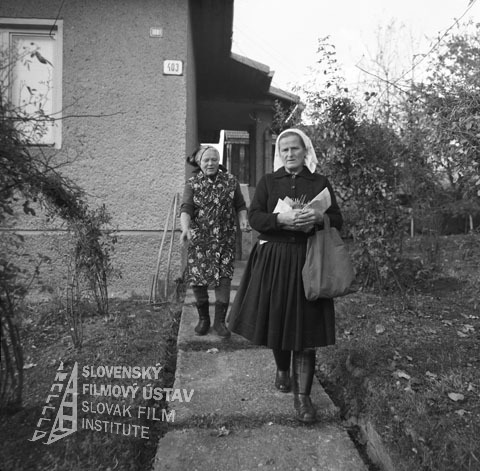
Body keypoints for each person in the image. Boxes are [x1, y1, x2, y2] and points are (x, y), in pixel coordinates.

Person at [227, 128, 343, 423]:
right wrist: (280, 219)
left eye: (295, 148)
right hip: (275, 260)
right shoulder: (269, 182)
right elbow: (255, 217)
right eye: (285, 150)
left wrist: (319, 217)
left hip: (309, 260)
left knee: (306, 328)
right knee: (278, 319)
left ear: (306, 151)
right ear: (279, 154)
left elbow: (338, 219)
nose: (290, 154)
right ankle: (282, 369)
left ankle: (303, 398)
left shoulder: (319, 182)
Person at [180, 145, 248, 338]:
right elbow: (186, 208)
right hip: (200, 240)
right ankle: (204, 320)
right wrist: (185, 228)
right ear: (199, 163)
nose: (210, 163)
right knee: (198, 280)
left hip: (225, 240)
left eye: (214, 159)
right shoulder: (192, 183)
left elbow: (240, 205)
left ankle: (219, 322)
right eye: (206, 160)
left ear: (219, 161)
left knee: (224, 279)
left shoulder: (231, 181)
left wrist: (243, 220)